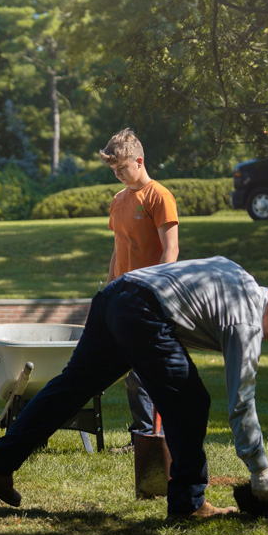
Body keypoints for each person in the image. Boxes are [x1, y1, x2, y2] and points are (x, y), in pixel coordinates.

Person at [0, 256, 268, 519]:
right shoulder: (245, 320)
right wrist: (259, 467)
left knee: (72, 388)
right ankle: (189, 504)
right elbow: (241, 399)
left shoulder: (236, 274)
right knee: (191, 403)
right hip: (144, 312)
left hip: (115, 296)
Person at [100, 128, 180, 451]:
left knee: (144, 369)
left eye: (122, 168)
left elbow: (170, 249)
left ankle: (148, 437)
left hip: (150, 296)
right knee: (131, 368)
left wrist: (157, 292)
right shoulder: (118, 201)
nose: (119, 175)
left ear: (139, 160)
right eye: (114, 170)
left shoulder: (159, 196)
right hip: (122, 297)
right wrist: (107, 290)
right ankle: (143, 433)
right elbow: (119, 249)